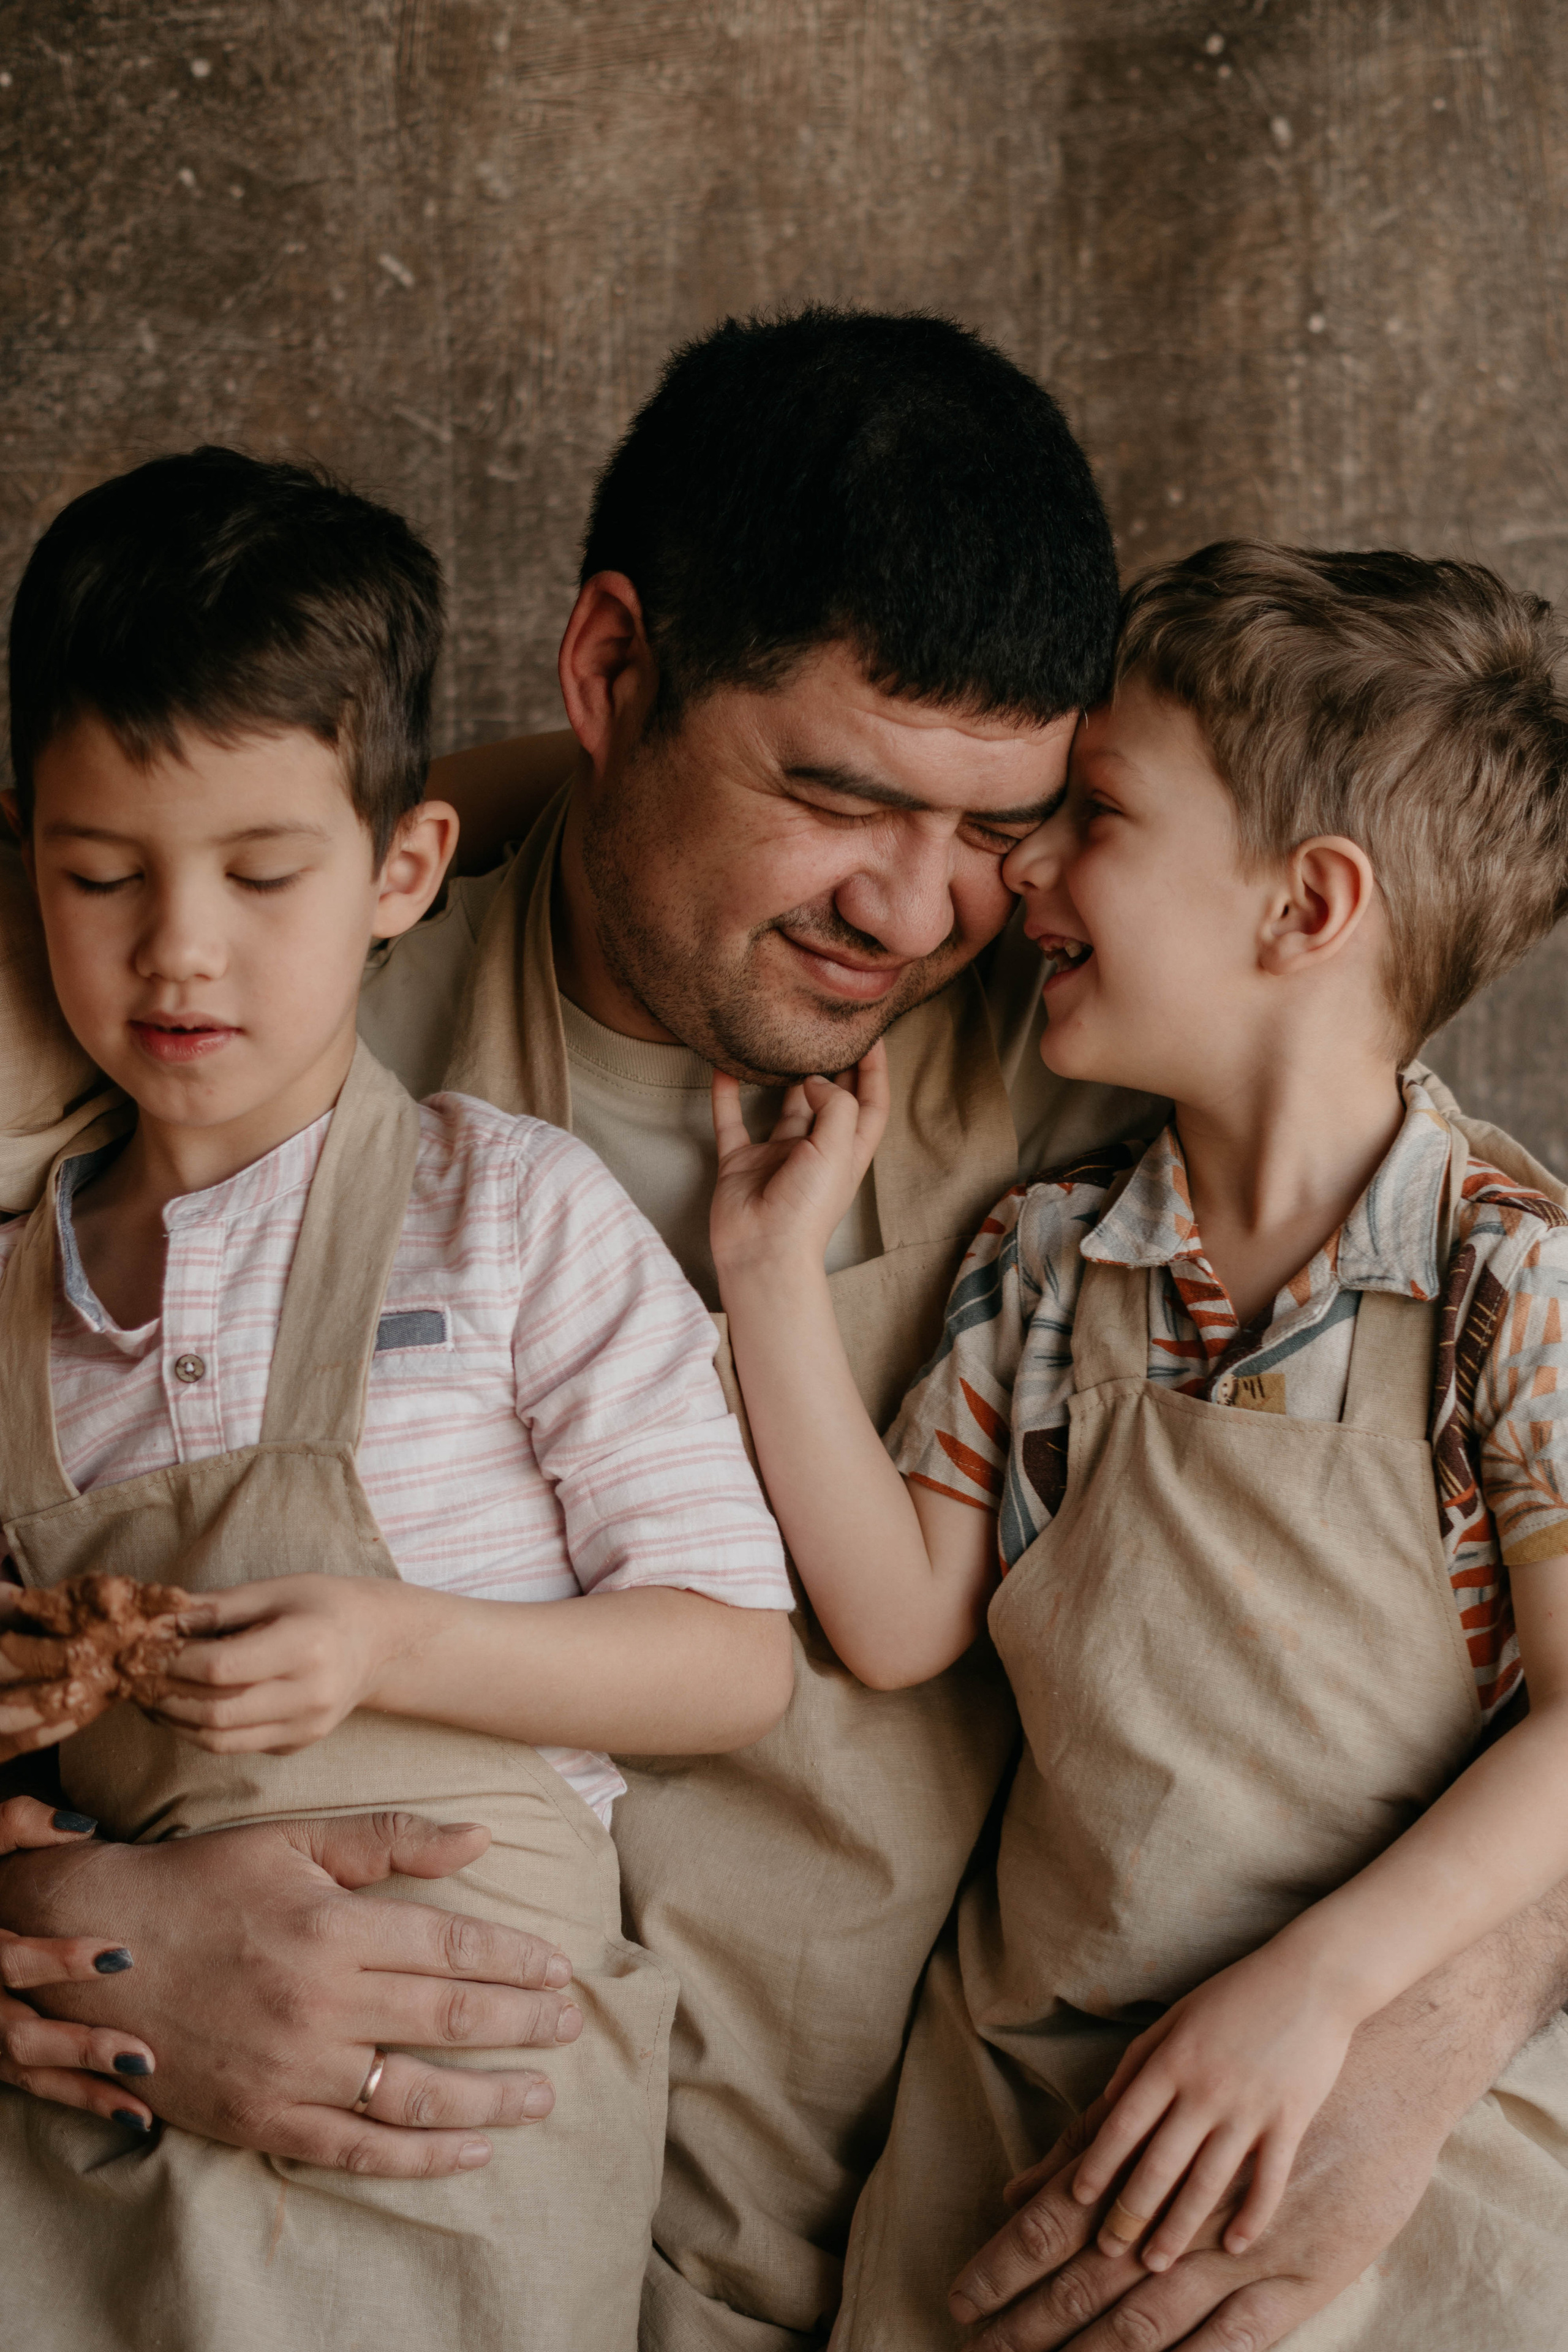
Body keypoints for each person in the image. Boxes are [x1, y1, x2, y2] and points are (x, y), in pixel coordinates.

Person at [3, 312, 1568, 2352]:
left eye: (1004, 825)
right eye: (838, 794)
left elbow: (1466, 1627)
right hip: (349, 2252)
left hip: (953, 2267)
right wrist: (56, 1927)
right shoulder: (241, 1018)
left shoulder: (1118, 1075)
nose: (915, 913)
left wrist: (1409, 2041)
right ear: (607, 673)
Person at [709, 541, 1568, 2347]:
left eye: (1096, 811)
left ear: (1307, 904)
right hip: (1018, 2124)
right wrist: (770, 1277)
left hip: (1354, 2132)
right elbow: (900, 1620)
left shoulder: (1514, 1286)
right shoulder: (1046, 1258)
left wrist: (1317, 1995)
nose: (1023, 862)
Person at [0, 445, 793, 2352]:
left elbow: (732, 1661)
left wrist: (389, 1643)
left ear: (403, 871)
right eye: (101, 875)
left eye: (263, 874)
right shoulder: (18, 1290)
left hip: (464, 2128)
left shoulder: (506, 1211)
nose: (178, 948)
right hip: (109, 2120)